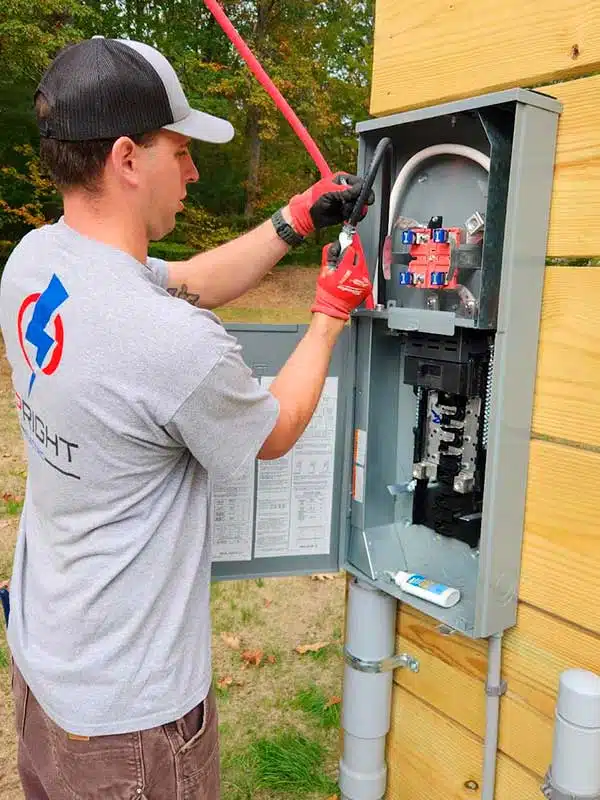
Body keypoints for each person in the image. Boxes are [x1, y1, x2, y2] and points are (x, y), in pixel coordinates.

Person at [0, 36, 373, 800]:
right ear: (129, 159)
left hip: (46, 670)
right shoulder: (172, 345)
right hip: (130, 723)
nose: (195, 171)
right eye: (182, 150)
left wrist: (296, 219)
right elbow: (276, 430)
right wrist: (330, 315)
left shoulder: (36, 262)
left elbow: (190, 281)